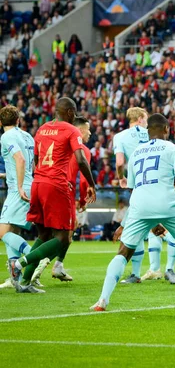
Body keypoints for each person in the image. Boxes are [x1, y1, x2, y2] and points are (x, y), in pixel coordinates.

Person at [91, 114, 175, 311]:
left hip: (140, 205)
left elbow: (133, 187)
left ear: (148, 132)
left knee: (124, 251)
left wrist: (152, 221)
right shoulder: (174, 149)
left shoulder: (137, 152)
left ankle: (102, 300)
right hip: (167, 202)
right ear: (166, 130)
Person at [9, 98, 96, 293]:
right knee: (63, 237)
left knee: (44, 234)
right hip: (56, 185)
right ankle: (19, 264)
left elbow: (37, 159)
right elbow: (81, 160)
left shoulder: (41, 129)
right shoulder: (72, 130)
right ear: (71, 112)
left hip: (38, 183)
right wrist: (91, 183)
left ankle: (24, 283)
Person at [51, 116, 92, 281]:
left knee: (48, 233)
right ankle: (31, 266)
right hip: (64, 191)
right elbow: (83, 180)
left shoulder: (59, 144)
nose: (90, 133)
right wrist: (82, 200)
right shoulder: (82, 149)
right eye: (88, 129)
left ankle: (56, 266)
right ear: (80, 131)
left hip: (45, 186)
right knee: (66, 233)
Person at [0, 106, 36, 290]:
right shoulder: (27, 136)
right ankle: (16, 277)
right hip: (29, 184)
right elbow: (30, 164)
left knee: (3, 232)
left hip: (18, 189)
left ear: (0, 123)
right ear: (18, 120)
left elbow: (20, 159)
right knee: (12, 231)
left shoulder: (6, 136)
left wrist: (19, 185)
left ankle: (34, 258)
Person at [112, 107, 149, 284]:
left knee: (138, 225)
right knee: (155, 227)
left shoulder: (120, 137)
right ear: (141, 118)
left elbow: (120, 162)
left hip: (139, 185)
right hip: (158, 182)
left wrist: (121, 178)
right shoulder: (151, 133)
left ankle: (136, 273)